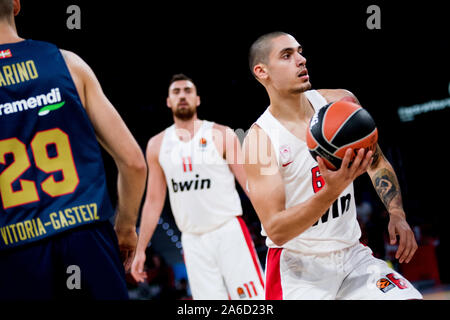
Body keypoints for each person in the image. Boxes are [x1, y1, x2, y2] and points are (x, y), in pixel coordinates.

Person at [243, 31, 422, 299]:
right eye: (287, 55)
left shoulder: (340, 102)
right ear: (262, 71)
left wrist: (397, 212)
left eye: (300, 52)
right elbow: (276, 230)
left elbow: (376, 160)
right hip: (299, 270)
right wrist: (330, 191)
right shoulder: (260, 140)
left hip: (352, 256)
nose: (301, 60)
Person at [0, 0, 147, 299]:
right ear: (16, 5)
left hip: (14, 250)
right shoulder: (67, 62)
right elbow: (134, 163)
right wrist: (126, 226)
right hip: (87, 237)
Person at [131, 74, 265, 300]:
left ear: (198, 99)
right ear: (168, 101)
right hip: (192, 240)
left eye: (187, 91)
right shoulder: (156, 145)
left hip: (228, 231)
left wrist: (271, 221)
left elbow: (249, 185)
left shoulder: (221, 134)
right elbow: (154, 201)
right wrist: (141, 248)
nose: (182, 96)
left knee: (252, 300)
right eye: (176, 92)